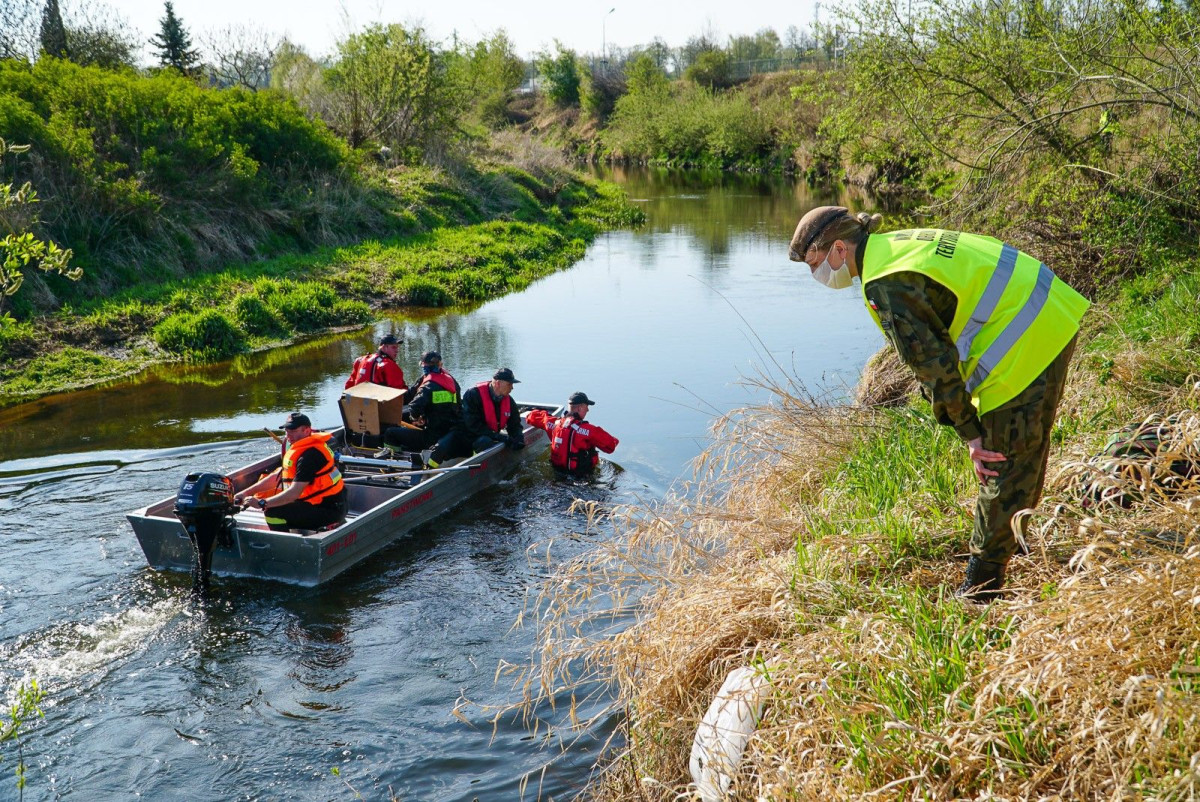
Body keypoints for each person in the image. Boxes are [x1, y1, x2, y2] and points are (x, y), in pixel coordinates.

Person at [788, 206, 1089, 601]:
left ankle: (980, 589)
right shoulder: (893, 247)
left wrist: (969, 433)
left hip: (1024, 336)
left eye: (816, 264)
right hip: (1048, 308)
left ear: (840, 249)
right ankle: (1016, 541)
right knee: (1025, 451)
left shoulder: (885, 283)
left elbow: (934, 368)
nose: (818, 276)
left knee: (999, 463)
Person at [234, 413, 347, 532]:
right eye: (286, 431)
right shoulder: (299, 448)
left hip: (329, 509)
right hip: (315, 503)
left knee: (273, 513)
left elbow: (293, 493)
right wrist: (245, 493)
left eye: (293, 431)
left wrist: (262, 503)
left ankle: (284, 546)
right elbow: (276, 479)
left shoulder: (310, 455)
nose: (288, 435)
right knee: (276, 505)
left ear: (307, 430)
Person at [427, 367, 526, 467]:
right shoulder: (473, 395)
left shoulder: (509, 402)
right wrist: (500, 437)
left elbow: (515, 424)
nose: (512, 388)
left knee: (484, 442)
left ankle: (477, 468)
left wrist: (518, 438)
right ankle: (428, 471)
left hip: (483, 438)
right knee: (441, 446)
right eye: (509, 384)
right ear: (498, 383)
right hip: (463, 435)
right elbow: (473, 425)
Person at [381, 350, 462, 456]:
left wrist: (415, 419)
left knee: (390, 433)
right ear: (440, 365)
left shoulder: (427, 385)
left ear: (424, 365)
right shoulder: (451, 381)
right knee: (403, 416)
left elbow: (414, 407)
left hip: (431, 436)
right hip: (449, 432)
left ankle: (394, 461)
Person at [527, 391, 619, 477]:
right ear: (580, 408)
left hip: (557, 473)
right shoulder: (590, 430)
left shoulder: (553, 423)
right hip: (581, 478)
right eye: (587, 407)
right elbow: (610, 447)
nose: (588, 410)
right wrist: (614, 441)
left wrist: (538, 411)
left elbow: (530, 417)